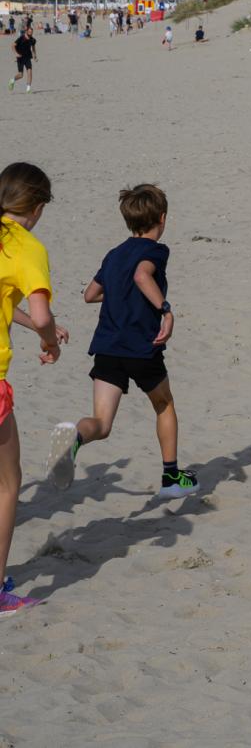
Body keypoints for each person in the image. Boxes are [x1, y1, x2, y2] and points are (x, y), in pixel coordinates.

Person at [45, 185, 198, 498]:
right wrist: (165, 310)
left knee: (101, 424)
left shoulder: (114, 254)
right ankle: (171, 477)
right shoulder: (156, 251)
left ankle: (74, 437)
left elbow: (90, 295)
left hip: (107, 347)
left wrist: (120, 293)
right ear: (162, 218)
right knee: (164, 403)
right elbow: (142, 276)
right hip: (140, 347)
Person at [0, 163, 66, 616]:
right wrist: (48, 339)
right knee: (8, 483)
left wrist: (33, 325)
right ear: (38, 207)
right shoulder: (26, 245)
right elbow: (41, 314)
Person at [11, 24, 36, 93]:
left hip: (28, 57)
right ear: (27, 31)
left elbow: (33, 48)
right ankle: (12, 80)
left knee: (30, 72)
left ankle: (28, 89)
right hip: (20, 58)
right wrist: (16, 54)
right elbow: (13, 45)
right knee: (21, 75)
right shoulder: (21, 38)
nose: (30, 33)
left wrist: (35, 56)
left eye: (31, 32)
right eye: (29, 32)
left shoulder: (33, 40)